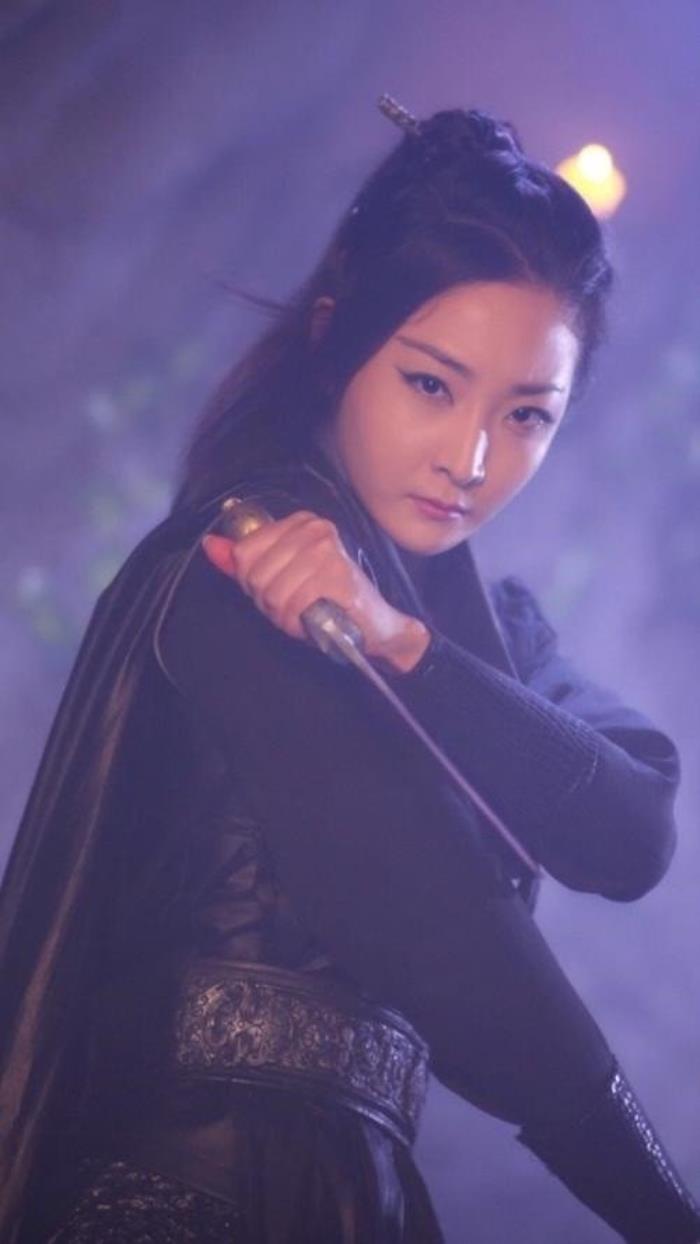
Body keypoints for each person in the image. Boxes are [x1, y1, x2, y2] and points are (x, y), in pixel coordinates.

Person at [0, 96, 698, 1244]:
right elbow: (441, 932)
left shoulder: (484, 632)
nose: (470, 458)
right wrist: (667, 1211)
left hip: (349, 1193)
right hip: (185, 1192)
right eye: (431, 384)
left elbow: (632, 833)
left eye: (528, 414)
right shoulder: (249, 567)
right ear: (335, 337)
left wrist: (406, 644)